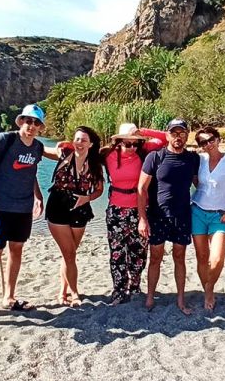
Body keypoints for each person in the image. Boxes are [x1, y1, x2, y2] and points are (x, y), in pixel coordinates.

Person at [0, 103, 47, 325]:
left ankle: (9, 296)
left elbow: (30, 173)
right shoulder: (5, 140)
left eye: (36, 123)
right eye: (28, 121)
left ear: (40, 127)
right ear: (21, 121)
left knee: (17, 250)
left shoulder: (37, 148)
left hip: (23, 208)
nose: (31, 126)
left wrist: (38, 196)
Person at [138, 118, 200, 314]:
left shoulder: (193, 159)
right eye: (174, 133)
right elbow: (141, 188)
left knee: (179, 257)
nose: (178, 136)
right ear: (167, 135)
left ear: (187, 134)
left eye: (182, 133)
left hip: (182, 216)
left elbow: (201, 185)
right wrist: (142, 218)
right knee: (155, 257)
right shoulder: (155, 157)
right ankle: (150, 297)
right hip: (158, 216)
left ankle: (181, 299)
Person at [101, 123, 166, 305]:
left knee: (139, 252)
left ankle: (135, 285)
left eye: (135, 143)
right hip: (116, 210)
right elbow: (82, 150)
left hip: (140, 209)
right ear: (119, 141)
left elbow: (164, 138)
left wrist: (142, 132)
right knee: (117, 252)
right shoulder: (107, 155)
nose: (132, 147)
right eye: (128, 143)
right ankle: (119, 290)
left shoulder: (144, 151)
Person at [47, 125, 104, 307]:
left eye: (83, 140)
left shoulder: (95, 164)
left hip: (80, 209)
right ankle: (74, 293)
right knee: (69, 253)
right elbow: (39, 150)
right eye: (77, 139)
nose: (79, 143)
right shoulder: (64, 154)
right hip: (57, 206)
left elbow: (100, 190)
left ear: (91, 144)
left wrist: (87, 197)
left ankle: (62, 291)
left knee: (69, 254)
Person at [191, 127, 225, 311]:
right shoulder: (200, 160)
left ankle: (209, 289)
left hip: (220, 215)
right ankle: (207, 291)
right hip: (197, 211)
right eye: (203, 142)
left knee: (218, 258)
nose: (208, 144)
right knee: (202, 257)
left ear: (218, 139)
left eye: (211, 139)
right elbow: (195, 181)